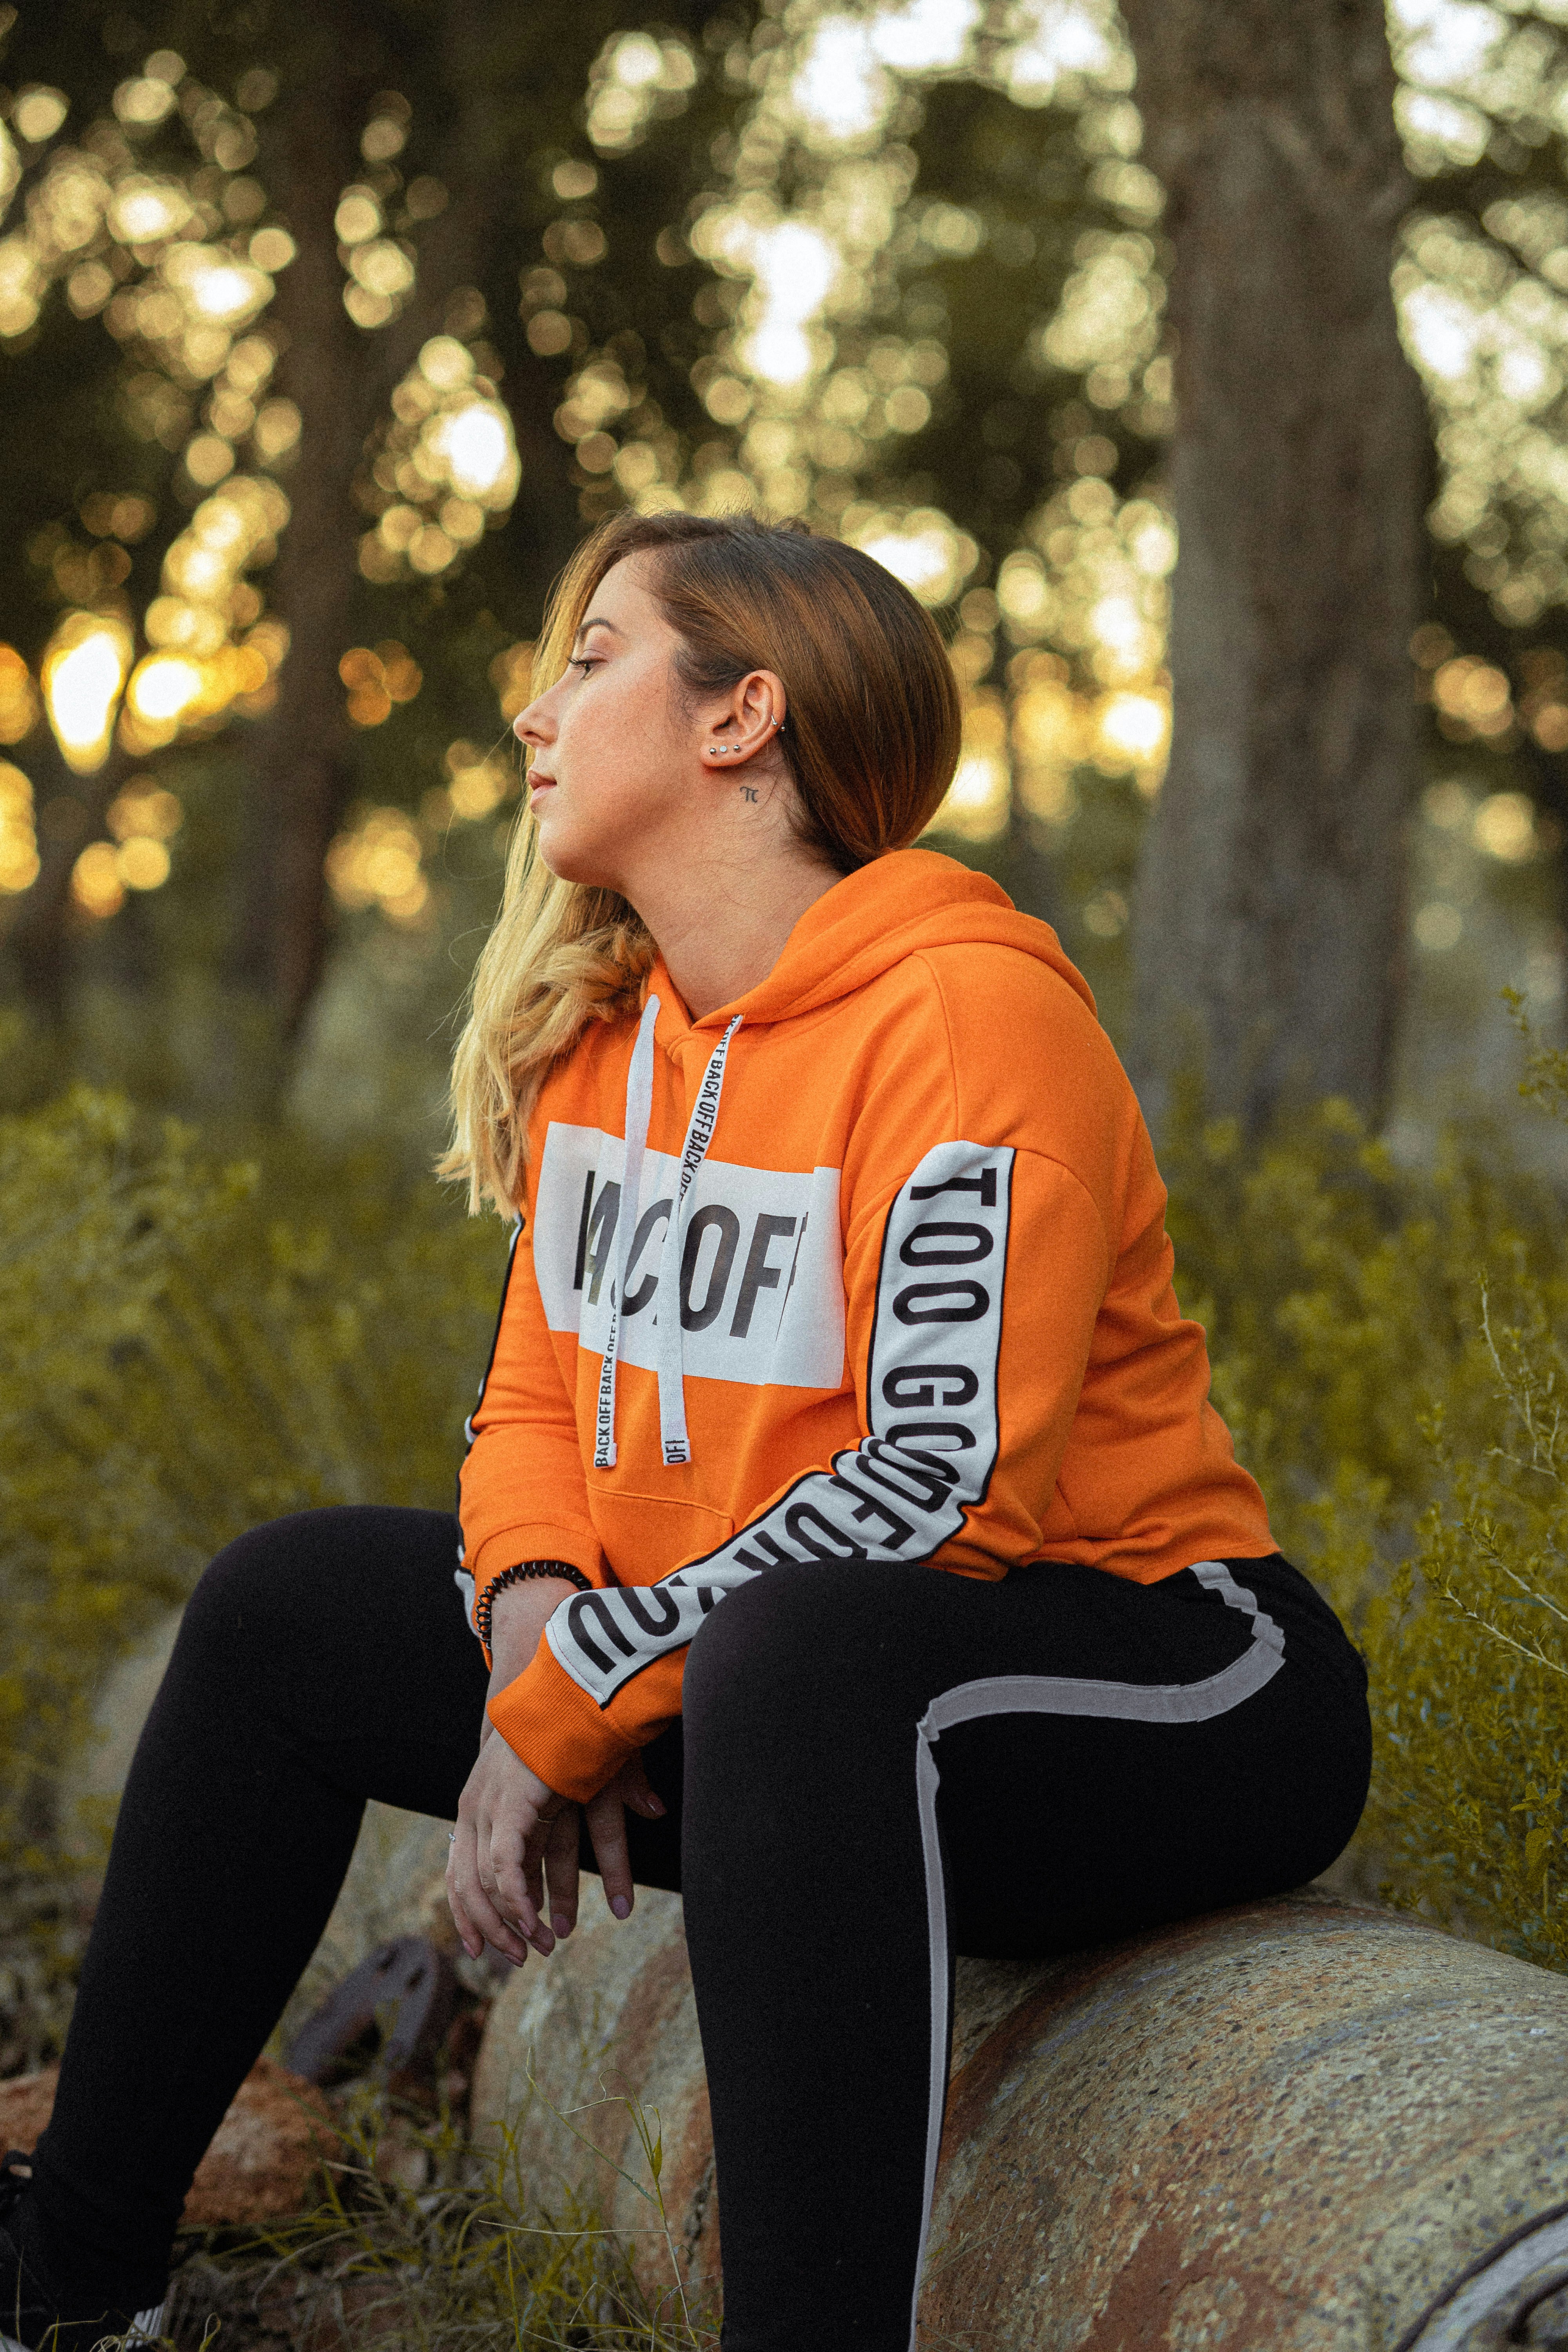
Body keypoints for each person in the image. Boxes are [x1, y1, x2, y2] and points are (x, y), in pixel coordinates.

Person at [0, 511, 1370, 2352]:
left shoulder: (969, 1017)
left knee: (793, 1655)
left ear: (741, 717)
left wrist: (584, 1696)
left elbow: (938, 1486)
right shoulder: (614, 1041)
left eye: (590, 661)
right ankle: (72, 2289)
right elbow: (531, 1403)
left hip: (1163, 1683)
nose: (534, 714)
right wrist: (533, 1629)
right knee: (282, 1612)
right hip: (768, 1689)